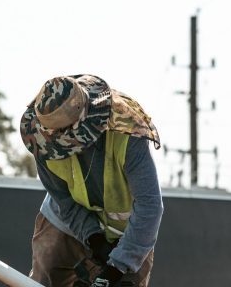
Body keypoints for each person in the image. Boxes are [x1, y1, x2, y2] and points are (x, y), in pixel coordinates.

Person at [20, 74, 164, 287]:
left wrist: (117, 267)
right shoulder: (42, 146)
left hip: (128, 235)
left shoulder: (127, 133)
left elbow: (149, 206)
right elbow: (65, 202)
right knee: (44, 281)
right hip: (65, 224)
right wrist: (94, 239)